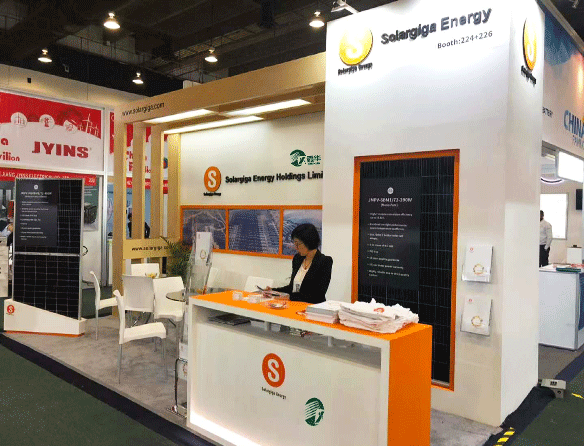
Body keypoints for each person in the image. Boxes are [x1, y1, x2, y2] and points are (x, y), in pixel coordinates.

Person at [269, 223, 333, 304]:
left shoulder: (325, 261)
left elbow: (318, 295)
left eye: (298, 244)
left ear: (308, 241)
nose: (295, 247)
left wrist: (290, 297)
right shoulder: (298, 258)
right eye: (294, 243)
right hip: (294, 306)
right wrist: (273, 291)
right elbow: (292, 288)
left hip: (313, 307)